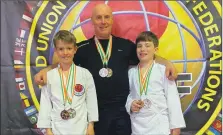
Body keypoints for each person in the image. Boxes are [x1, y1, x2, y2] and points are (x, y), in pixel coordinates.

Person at [35, 4, 177, 135]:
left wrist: (167, 63)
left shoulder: (125, 45)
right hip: (96, 113)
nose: (103, 21)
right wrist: (46, 70)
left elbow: (146, 56)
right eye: (99, 17)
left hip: (122, 113)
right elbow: (64, 59)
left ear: (112, 20)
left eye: (106, 17)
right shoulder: (82, 48)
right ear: (92, 21)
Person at [37, 30, 98, 135]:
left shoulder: (85, 74)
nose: (65, 53)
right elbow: (45, 104)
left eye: (69, 48)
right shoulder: (50, 76)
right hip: (57, 129)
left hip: (81, 128)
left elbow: (91, 102)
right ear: (56, 51)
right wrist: (48, 130)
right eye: (61, 49)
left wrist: (91, 126)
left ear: (75, 49)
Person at [125, 31, 186, 135]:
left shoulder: (163, 71)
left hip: (159, 126)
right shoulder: (131, 72)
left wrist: (176, 126)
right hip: (137, 126)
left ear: (155, 49)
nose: (143, 49)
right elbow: (130, 95)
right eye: (139, 46)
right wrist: (130, 104)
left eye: (147, 45)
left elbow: (172, 99)